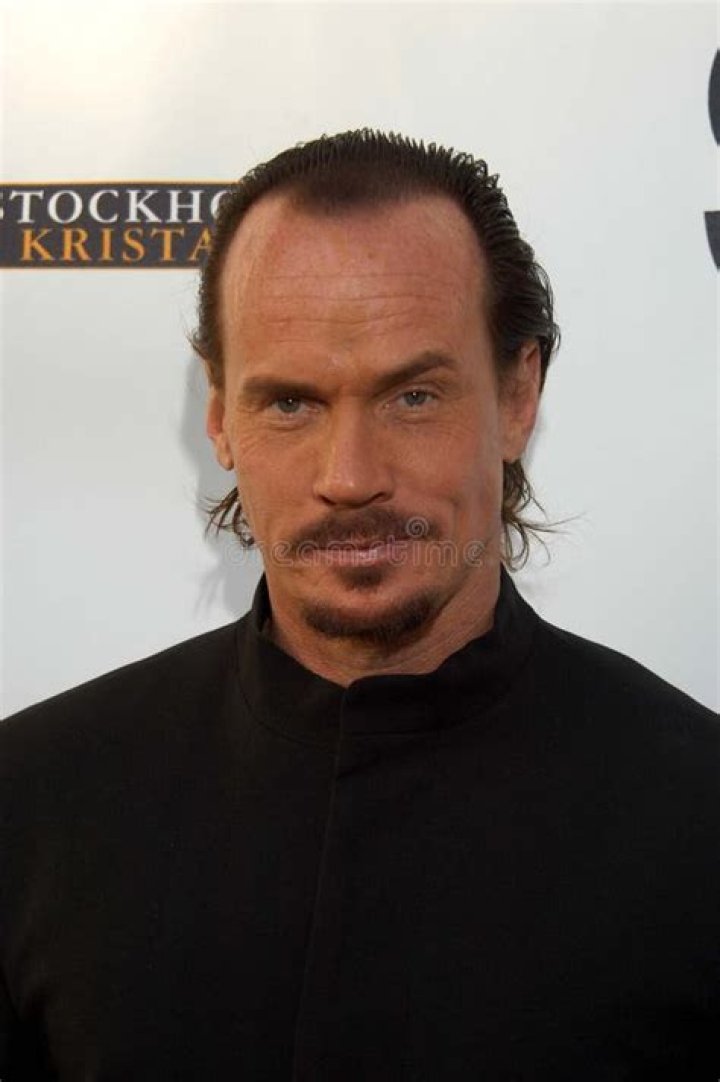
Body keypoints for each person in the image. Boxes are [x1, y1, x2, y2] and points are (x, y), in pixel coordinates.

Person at [1, 129, 718, 1080]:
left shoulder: (700, 819)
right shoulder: (30, 803)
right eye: (290, 403)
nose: (349, 477)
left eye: (413, 397)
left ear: (518, 395)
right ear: (219, 416)